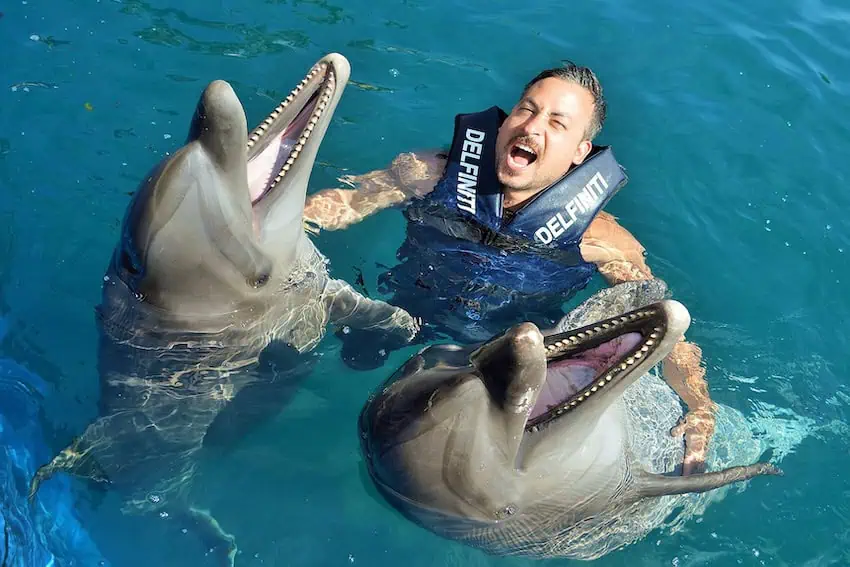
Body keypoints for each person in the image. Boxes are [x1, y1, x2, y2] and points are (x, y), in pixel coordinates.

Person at [303, 62, 716, 475]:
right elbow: (342, 205)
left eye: (557, 123)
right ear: (504, 122)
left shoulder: (602, 241)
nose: (532, 128)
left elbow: (657, 324)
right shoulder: (428, 174)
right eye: (527, 110)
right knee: (347, 361)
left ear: (579, 153)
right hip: (402, 312)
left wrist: (699, 406)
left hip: (502, 359)